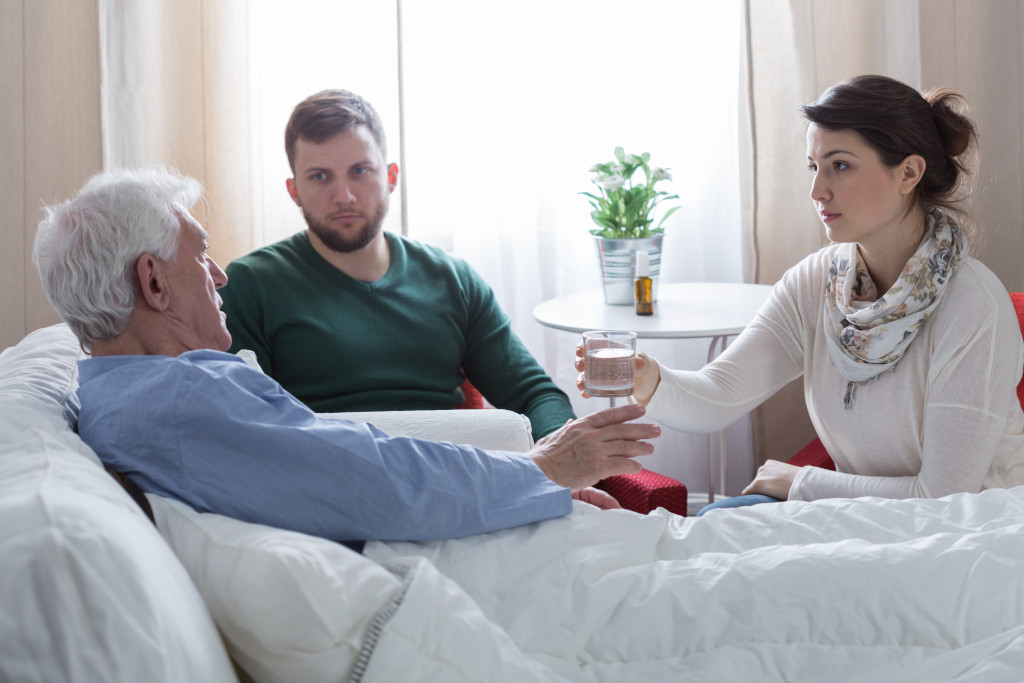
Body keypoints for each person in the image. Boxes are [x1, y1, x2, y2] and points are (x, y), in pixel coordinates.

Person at [33, 166, 660, 549]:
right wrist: (541, 472)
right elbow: (374, 478)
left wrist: (537, 476)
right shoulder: (179, 402)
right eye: (199, 257)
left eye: (360, 172)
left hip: (459, 496)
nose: (219, 276)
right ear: (155, 282)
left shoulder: (139, 387)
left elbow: (340, 455)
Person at [577, 74, 1024, 515]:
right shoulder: (819, 282)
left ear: (908, 173)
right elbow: (718, 395)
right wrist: (646, 377)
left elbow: (943, 502)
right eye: (813, 166)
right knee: (709, 530)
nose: (817, 190)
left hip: (971, 542)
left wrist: (800, 481)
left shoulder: (973, 307)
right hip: (860, 518)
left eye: (840, 165)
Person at [218, 89, 574, 438]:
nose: (344, 196)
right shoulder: (251, 284)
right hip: (329, 477)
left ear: (390, 177)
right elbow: (243, 427)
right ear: (294, 190)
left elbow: (536, 395)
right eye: (320, 177)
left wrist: (566, 460)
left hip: (459, 474)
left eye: (360, 171)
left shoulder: (452, 279)